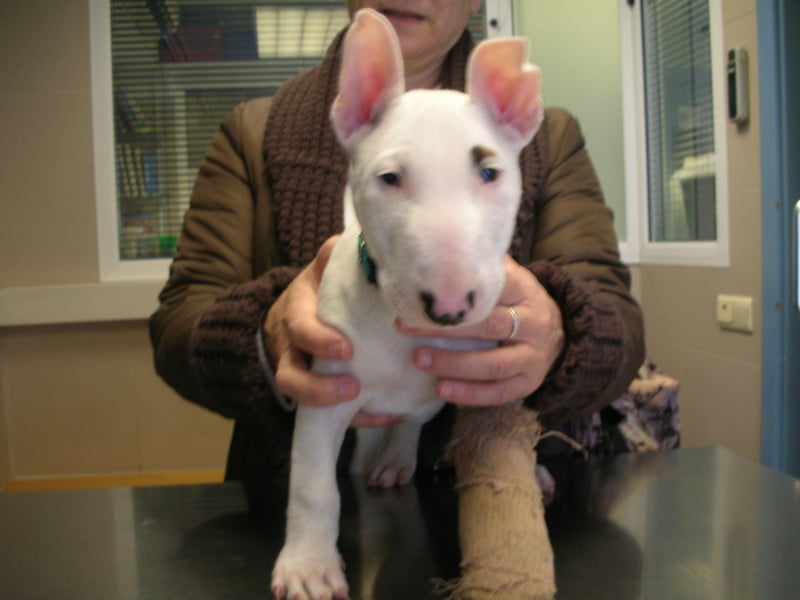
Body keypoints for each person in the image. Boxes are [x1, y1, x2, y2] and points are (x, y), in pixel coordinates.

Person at [149, 0, 645, 508]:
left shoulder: (548, 138)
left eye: (488, 176)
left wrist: (564, 335)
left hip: (499, 493)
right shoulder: (250, 133)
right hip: (281, 494)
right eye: (391, 179)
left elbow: (620, 326)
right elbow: (175, 327)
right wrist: (263, 335)